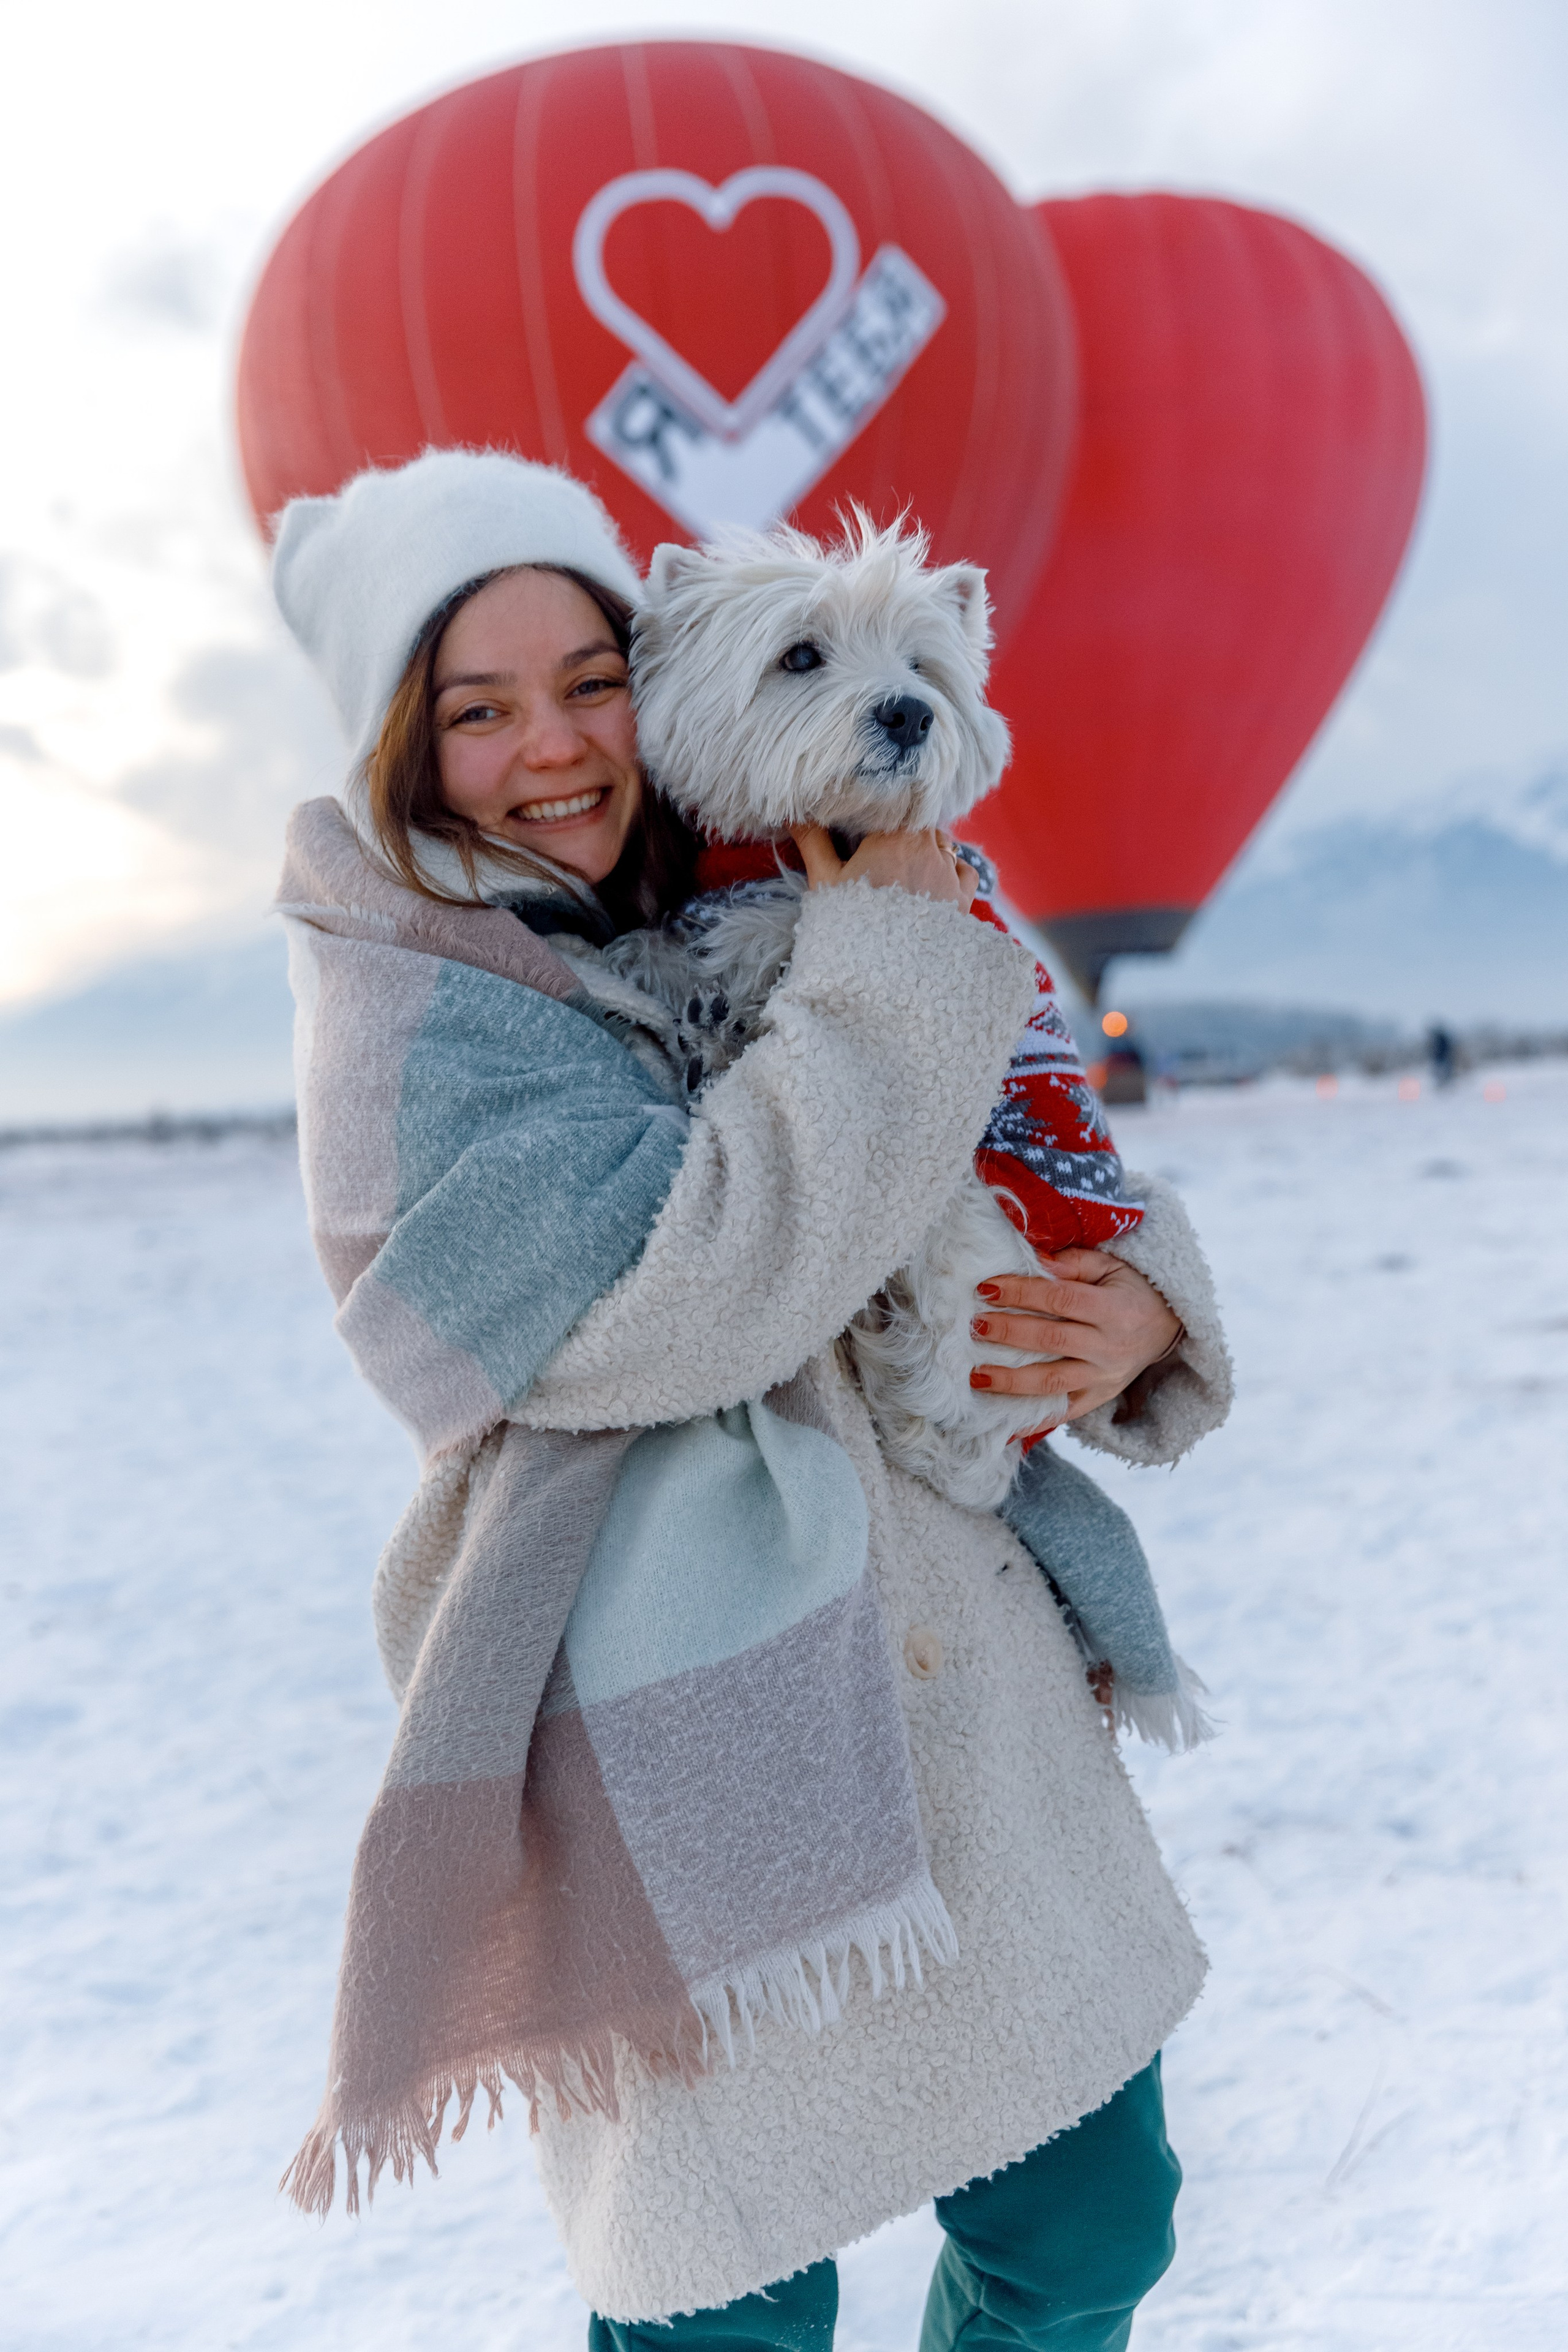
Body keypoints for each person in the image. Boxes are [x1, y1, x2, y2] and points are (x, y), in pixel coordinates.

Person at [271, 451, 1234, 2350]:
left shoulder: (772, 869)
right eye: (478, 709)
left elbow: (1018, 1141)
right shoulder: (408, 1012)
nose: (554, 746)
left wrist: (1137, 1310)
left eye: (590, 677)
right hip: (659, 1727)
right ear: (400, 743)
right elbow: (687, 1298)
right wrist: (890, 956)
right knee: (728, 2308)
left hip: (958, 1682)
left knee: (1096, 2231)